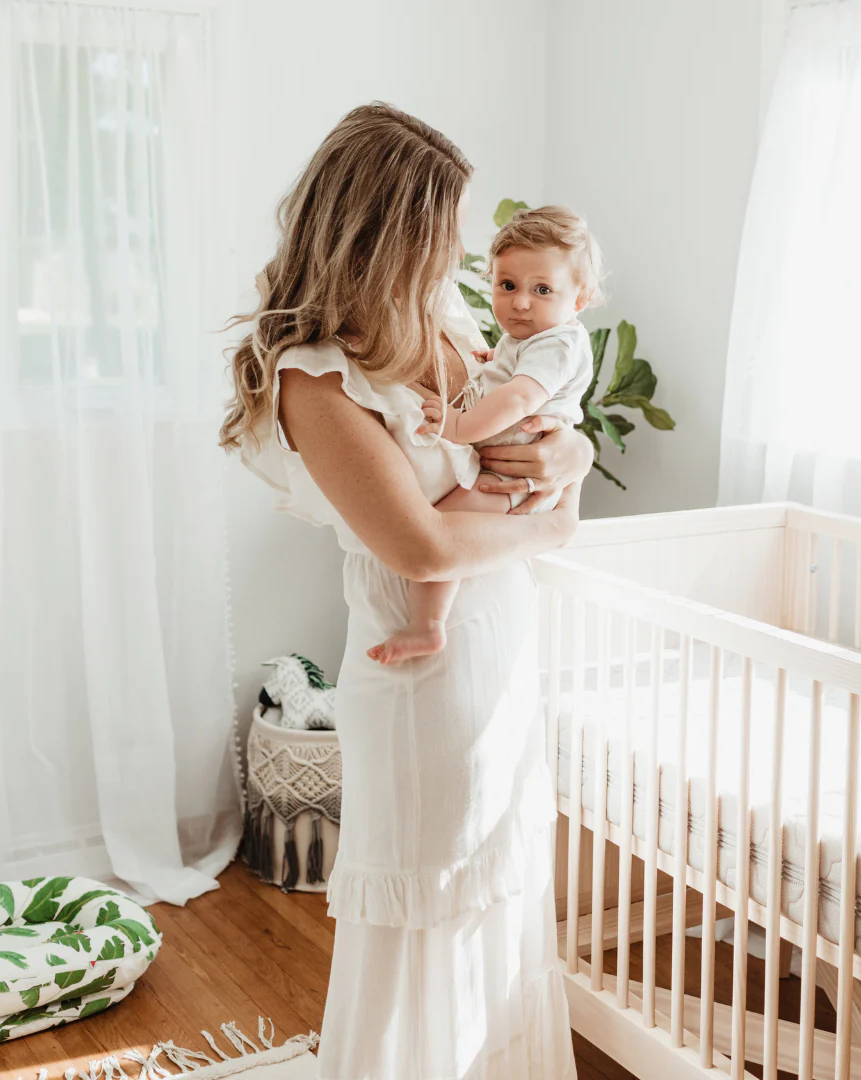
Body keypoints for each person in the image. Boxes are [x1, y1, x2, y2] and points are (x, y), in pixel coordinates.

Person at [219, 102, 590, 1079]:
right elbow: (421, 545)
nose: (462, 252)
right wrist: (554, 520)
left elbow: (543, 428)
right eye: (445, 232)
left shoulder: (452, 323)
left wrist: (572, 448)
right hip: (425, 676)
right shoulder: (317, 379)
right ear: (390, 234)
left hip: (501, 640)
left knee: (497, 898)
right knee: (428, 909)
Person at [368, 206, 602, 665]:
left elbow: (517, 400)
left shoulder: (558, 343)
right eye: (507, 285)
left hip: (507, 479)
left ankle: (427, 627)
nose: (519, 302)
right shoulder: (531, 338)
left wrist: (456, 427)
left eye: (542, 290)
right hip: (508, 466)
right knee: (441, 529)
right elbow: (511, 373)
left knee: (444, 529)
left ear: (579, 298)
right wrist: (493, 356)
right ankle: (428, 624)